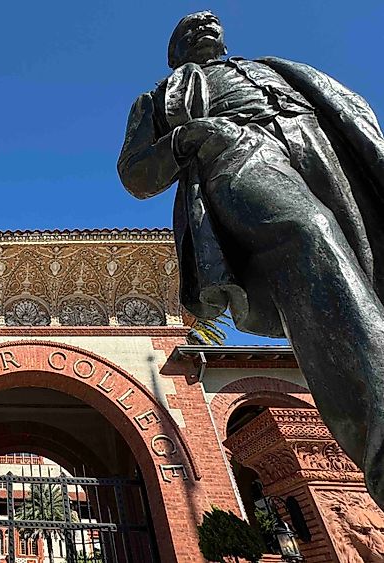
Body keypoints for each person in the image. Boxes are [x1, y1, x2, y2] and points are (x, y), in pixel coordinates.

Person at [118, 11, 384, 509]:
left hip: (315, 145)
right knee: (310, 233)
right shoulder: (159, 97)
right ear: (174, 54)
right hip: (237, 154)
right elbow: (135, 174)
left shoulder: (276, 69)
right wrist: (184, 139)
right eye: (185, 29)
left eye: (208, 22)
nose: (201, 24)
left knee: (364, 265)